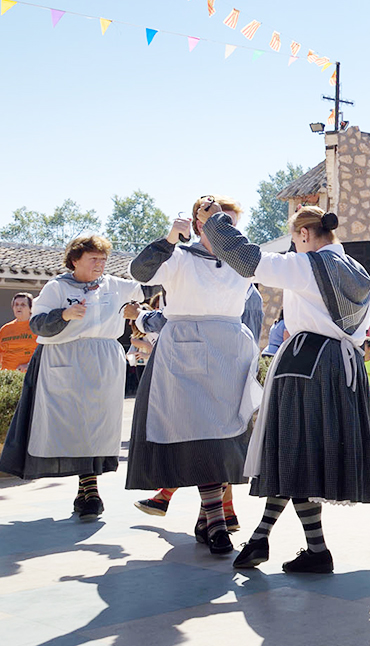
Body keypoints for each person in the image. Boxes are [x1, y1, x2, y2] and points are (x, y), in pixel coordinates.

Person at [203, 205, 370, 574]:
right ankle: (294, 546)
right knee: (301, 460)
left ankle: (266, 540)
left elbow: (248, 259)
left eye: (295, 241)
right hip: (345, 368)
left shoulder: (306, 265)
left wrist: (215, 222)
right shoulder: (359, 272)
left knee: (292, 457)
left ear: (303, 234)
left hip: (306, 364)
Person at [124, 195, 263, 555]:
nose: (227, 230)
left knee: (224, 437)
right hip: (184, 352)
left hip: (230, 353)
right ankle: (216, 522)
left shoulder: (245, 263)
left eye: (230, 223)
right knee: (202, 436)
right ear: (200, 224)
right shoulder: (180, 258)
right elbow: (140, 273)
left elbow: (255, 311)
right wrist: (172, 237)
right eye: (218, 221)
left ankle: (207, 519)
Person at [0, 234, 145, 521]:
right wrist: (64, 314)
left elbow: (151, 283)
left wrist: (136, 310)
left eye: (103, 259)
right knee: (68, 425)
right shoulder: (57, 287)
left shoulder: (115, 285)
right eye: (94, 259)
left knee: (96, 425)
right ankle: (86, 488)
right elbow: (37, 324)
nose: (100, 264)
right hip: (63, 362)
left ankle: (89, 489)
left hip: (103, 362)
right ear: (75, 260)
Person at [1, 293, 38, 372]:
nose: (19, 307)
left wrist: (29, 366)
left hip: (29, 376)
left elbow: (44, 353)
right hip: (7, 378)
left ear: (30, 308)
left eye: (23, 305)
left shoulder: (36, 327)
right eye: (16, 305)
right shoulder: (5, 329)